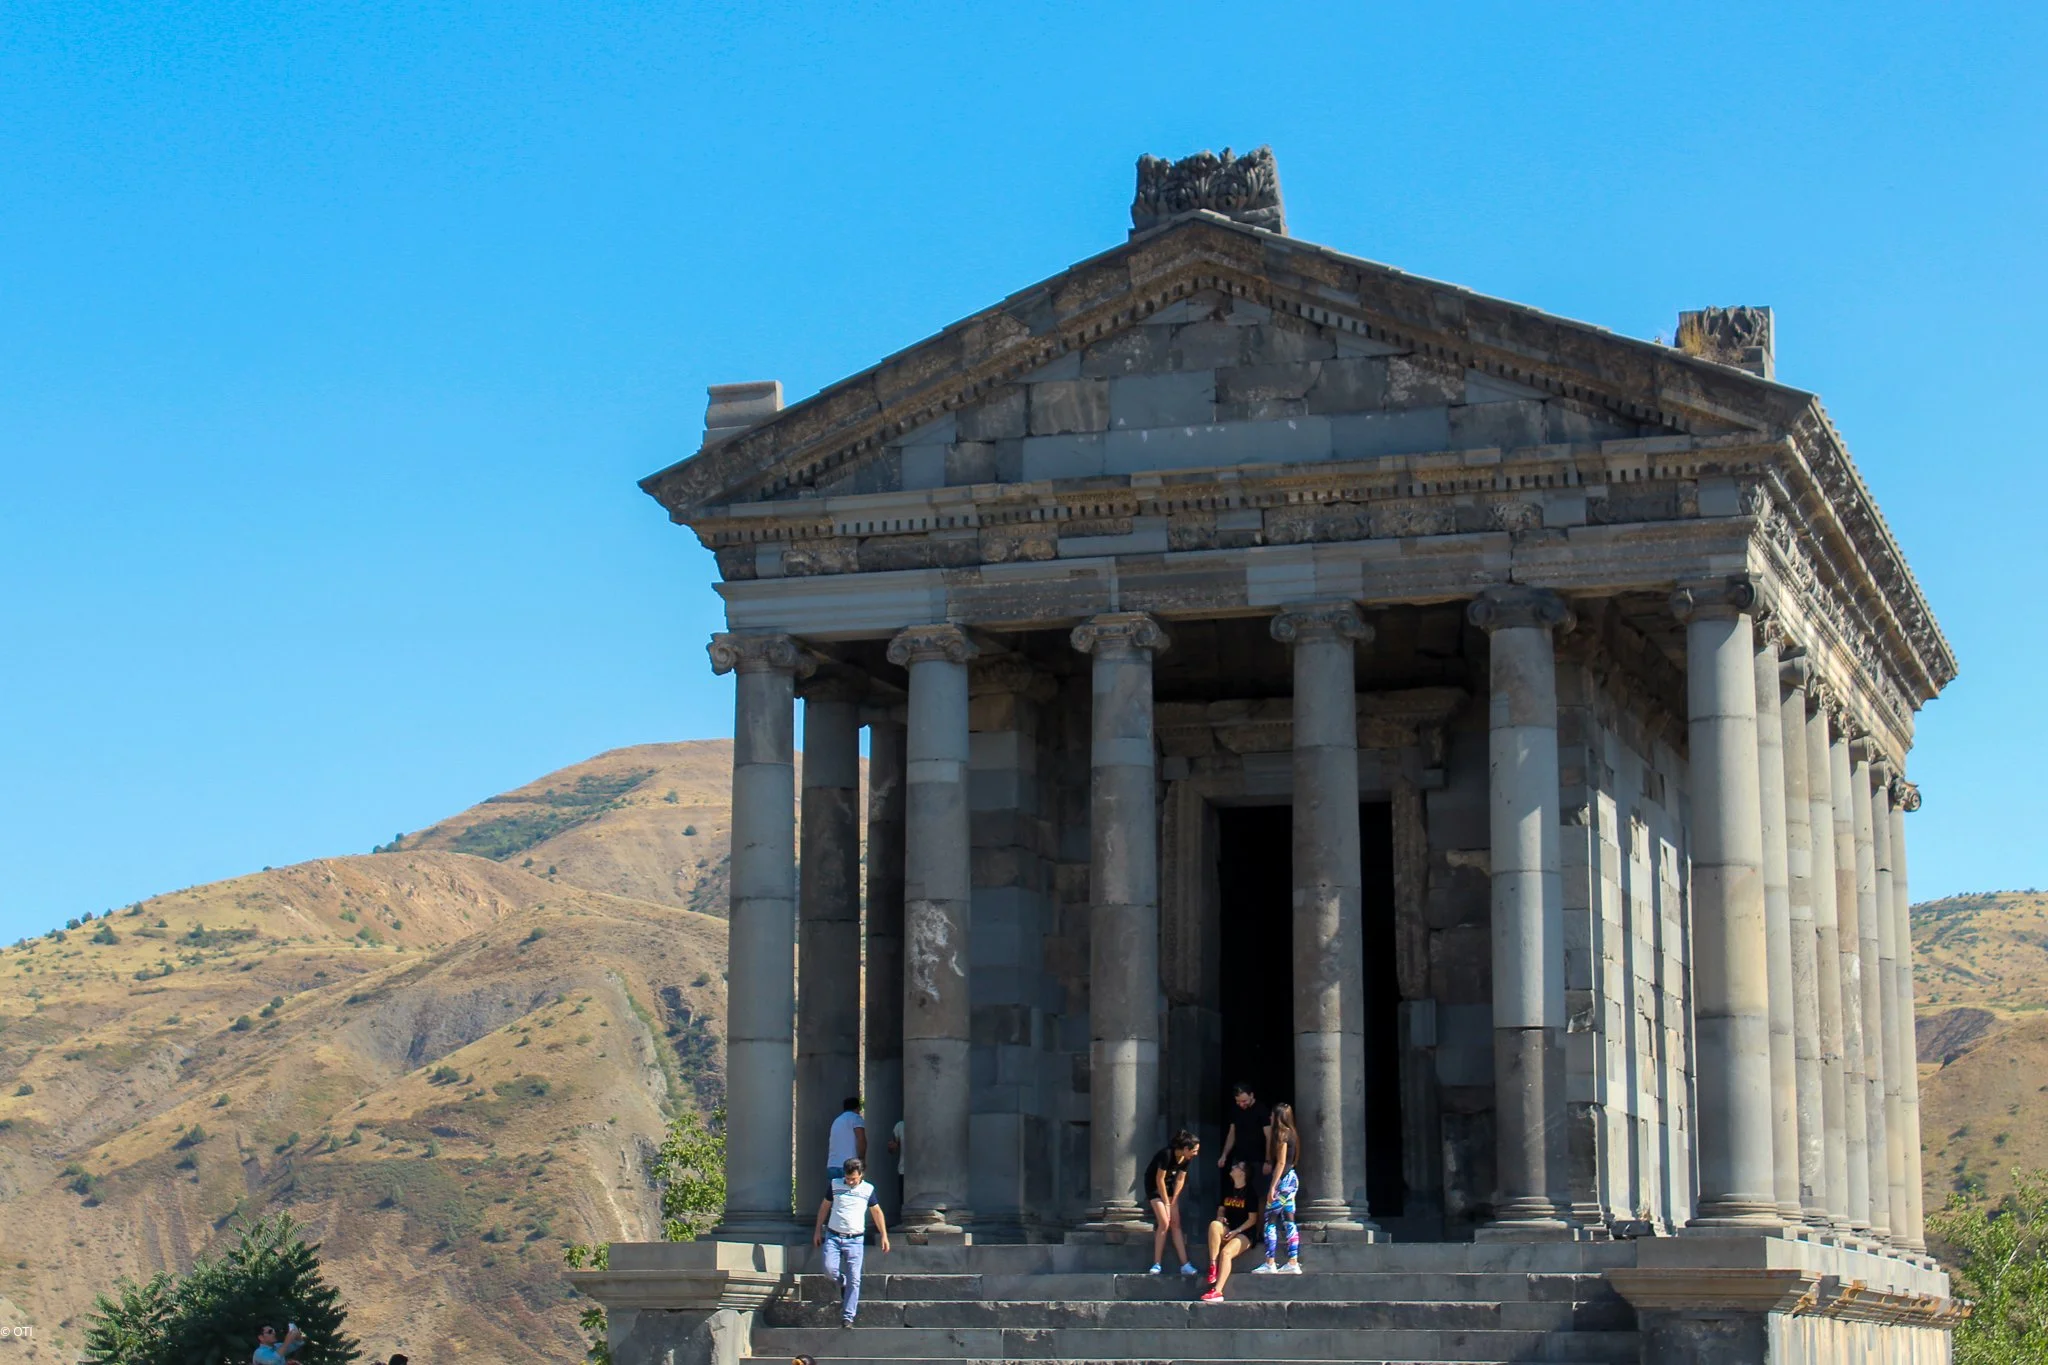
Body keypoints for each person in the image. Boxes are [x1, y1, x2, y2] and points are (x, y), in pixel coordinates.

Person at [811, 1156, 890, 1326]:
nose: (850, 1182)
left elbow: (877, 1212)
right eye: (848, 1178)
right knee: (829, 1269)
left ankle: (848, 1316)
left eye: (853, 1179)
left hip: (855, 1239)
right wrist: (817, 1230)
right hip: (833, 1235)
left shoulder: (868, 1190)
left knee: (855, 1278)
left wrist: (883, 1234)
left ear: (861, 1175)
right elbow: (824, 1207)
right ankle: (842, 1282)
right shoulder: (835, 1184)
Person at [1198, 1158, 1261, 1302]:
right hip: (1229, 1228)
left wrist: (1236, 1231)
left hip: (1245, 1232)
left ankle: (1218, 1291)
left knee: (1226, 1253)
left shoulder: (1250, 1193)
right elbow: (1221, 1210)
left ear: (1243, 1173)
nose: (1233, 1167)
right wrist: (1221, 1218)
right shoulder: (1228, 1189)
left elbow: (1252, 1219)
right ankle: (1213, 1265)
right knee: (1214, 1224)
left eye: (1238, 1166)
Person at [1251, 1102, 1301, 1275]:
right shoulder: (1293, 1133)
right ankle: (1293, 1261)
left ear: (1278, 1117)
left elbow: (1280, 1162)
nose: (1270, 1118)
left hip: (1283, 1180)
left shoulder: (1281, 1134)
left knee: (1270, 1221)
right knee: (1289, 1219)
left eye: (1273, 1115)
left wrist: (1273, 1185)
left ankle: (1270, 1261)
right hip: (1292, 1178)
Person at [1143, 1129, 1201, 1276]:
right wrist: (1166, 1203)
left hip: (1170, 1187)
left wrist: (1174, 1199)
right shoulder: (1167, 1154)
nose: (1196, 1154)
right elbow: (1159, 1179)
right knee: (1164, 1222)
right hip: (1154, 1187)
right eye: (1194, 1150)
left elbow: (1181, 1179)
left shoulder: (1186, 1159)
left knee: (1176, 1223)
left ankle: (1185, 1264)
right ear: (1186, 1149)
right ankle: (1157, 1263)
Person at [1217, 1082, 1271, 1178]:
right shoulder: (1235, 1110)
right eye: (1238, 1101)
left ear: (1251, 1095)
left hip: (1258, 1159)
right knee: (1239, 1188)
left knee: (1260, 1189)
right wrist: (1224, 1155)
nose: (1241, 1104)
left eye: (1244, 1101)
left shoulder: (1261, 1110)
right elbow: (1231, 1134)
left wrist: (1268, 1160)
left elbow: (1269, 1136)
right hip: (1240, 1158)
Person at [826, 1096, 866, 1189]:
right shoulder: (856, 1118)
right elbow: (861, 1139)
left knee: (834, 1199)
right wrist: (862, 1159)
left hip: (832, 1165)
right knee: (850, 1199)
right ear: (858, 1108)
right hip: (849, 1166)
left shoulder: (837, 1120)